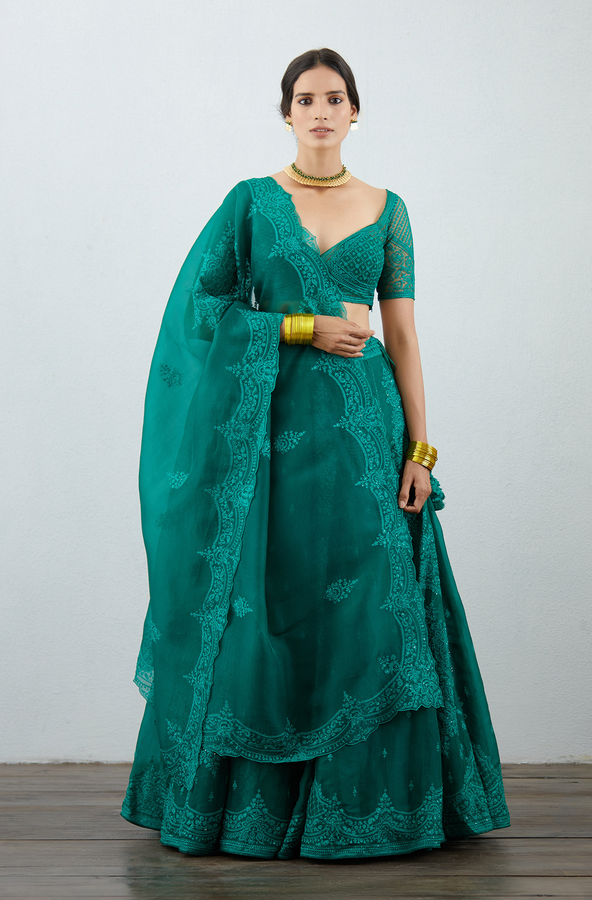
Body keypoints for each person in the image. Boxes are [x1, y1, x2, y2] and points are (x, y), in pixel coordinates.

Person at [120, 48, 511, 859]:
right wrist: (299, 326)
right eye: (306, 99)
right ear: (287, 112)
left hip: (367, 433)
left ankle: (370, 809)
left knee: (373, 604)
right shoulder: (251, 203)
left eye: (335, 98)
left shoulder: (389, 209)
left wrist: (422, 451)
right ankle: (250, 809)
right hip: (269, 440)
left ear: (355, 111)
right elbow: (200, 310)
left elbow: (402, 335)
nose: (321, 111)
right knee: (268, 601)